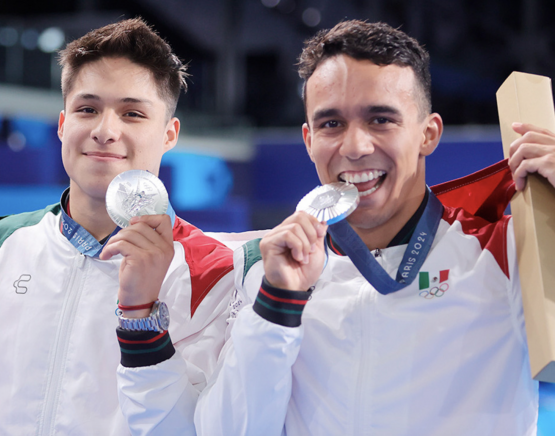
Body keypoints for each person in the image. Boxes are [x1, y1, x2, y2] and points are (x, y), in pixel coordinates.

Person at [0, 18, 234, 435]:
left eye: (132, 113)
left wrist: (141, 319)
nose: (105, 131)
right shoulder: (2, 246)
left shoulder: (211, 271)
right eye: (87, 109)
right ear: (62, 125)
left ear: (169, 134)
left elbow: (203, 426)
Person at [194, 20, 551, 435]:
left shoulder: (506, 252)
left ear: (428, 134)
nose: (355, 147)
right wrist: (277, 306)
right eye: (331, 124)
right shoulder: (271, 272)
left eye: (381, 119)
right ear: (308, 139)